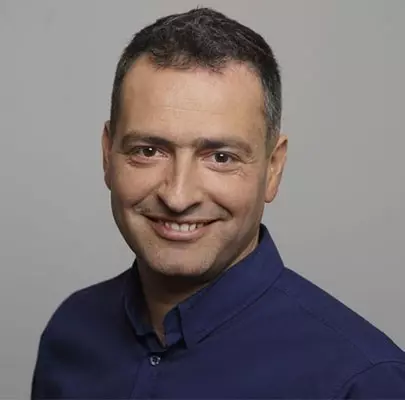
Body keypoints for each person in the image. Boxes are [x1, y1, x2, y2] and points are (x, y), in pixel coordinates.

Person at [31, 7, 405, 399]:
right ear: (108, 155)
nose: (178, 196)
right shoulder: (70, 333)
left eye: (221, 157)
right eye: (148, 151)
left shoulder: (362, 382)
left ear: (273, 168)